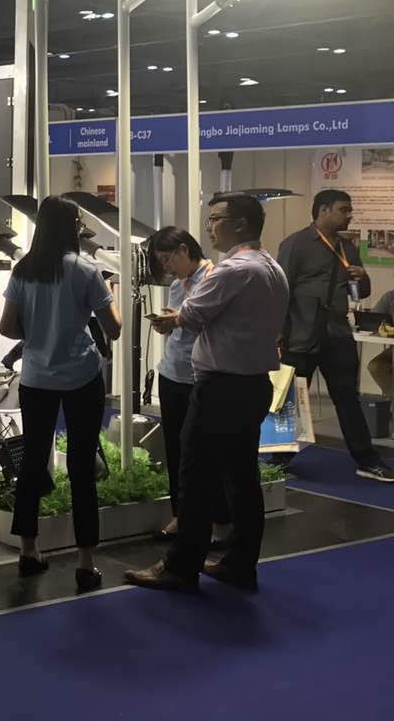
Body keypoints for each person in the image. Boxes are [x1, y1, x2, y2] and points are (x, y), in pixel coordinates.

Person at [127, 194, 290, 592]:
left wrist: (172, 320)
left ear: (240, 223)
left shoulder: (232, 270)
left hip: (221, 387)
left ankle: (181, 566)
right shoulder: (272, 268)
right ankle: (239, 563)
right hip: (252, 385)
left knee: (196, 476)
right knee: (242, 478)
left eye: (215, 218)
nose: (209, 227)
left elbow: (192, 315)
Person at [0, 195, 121, 592]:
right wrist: (108, 293)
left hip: (36, 378)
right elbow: (114, 328)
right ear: (71, 227)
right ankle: (86, 562)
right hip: (82, 377)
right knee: (83, 468)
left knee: (33, 463)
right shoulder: (86, 270)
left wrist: (39, 333)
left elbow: (7, 327)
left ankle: (28, 551)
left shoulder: (24, 269)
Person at [277, 189, 394, 482]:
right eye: (344, 209)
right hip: (301, 335)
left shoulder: (347, 247)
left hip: (338, 334)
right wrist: (277, 334)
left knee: (347, 399)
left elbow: (361, 292)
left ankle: (367, 460)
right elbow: (281, 292)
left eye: (350, 210)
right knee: (291, 401)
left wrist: (363, 278)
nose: (349, 215)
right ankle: (279, 460)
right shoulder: (295, 244)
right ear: (324, 210)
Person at [146, 226, 231, 544]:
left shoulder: (214, 278)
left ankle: (218, 521)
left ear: (184, 250)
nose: (166, 267)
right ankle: (181, 515)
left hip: (201, 376)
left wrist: (180, 318)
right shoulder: (176, 285)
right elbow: (178, 328)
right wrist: (166, 324)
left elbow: (216, 324)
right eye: (161, 262)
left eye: (167, 259)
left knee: (206, 453)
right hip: (171, 373)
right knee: (176, 450)